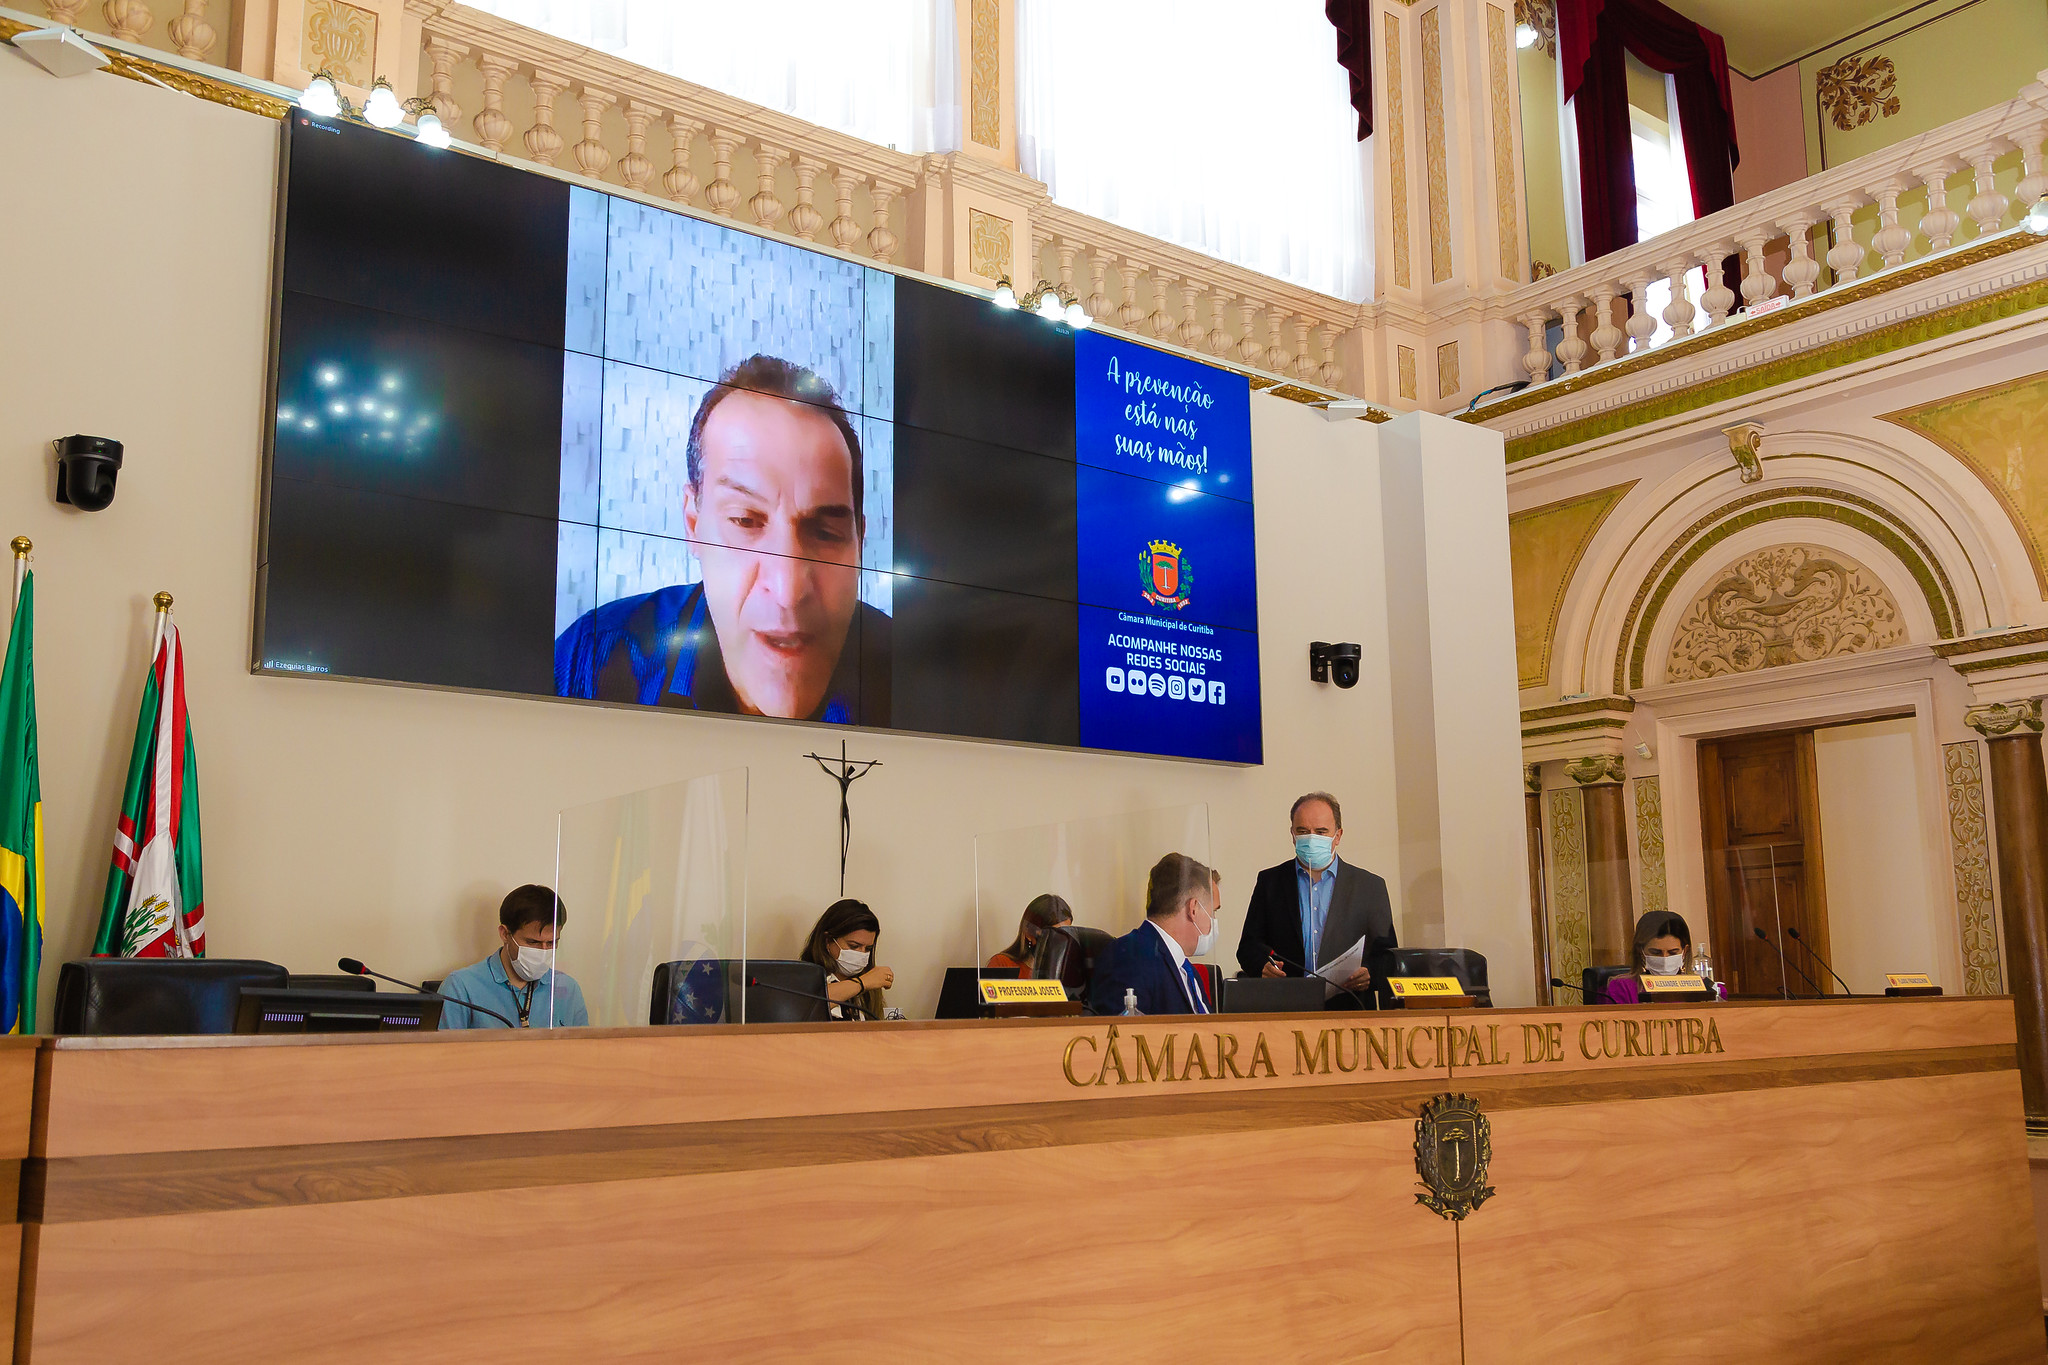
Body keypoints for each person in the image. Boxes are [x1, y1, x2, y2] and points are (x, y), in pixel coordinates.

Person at [555, 354, 890, 724]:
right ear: (693, 522)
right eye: (745, 520)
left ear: (859, 540)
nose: (788, 589)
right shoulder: (590, 660)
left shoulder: (924, 679)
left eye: (826, 533)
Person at [1235, 791, 1397, 1009]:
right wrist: (1262, 966)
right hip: (1285, 1009)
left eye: (1321, 832)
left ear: (1337, 835)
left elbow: (1388, 956)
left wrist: (1370, 973)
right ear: (1292, 835)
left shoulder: (1369, 886)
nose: (1312, 839)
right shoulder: (1270, 882)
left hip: (1349, 1010)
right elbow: (1248, 947)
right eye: (1303, 831)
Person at [439, 885, 589, 1029]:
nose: (543, 951)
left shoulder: (568, 989)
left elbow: (583, 1051)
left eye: (551, 942)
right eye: (532, 942)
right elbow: (441, 1053)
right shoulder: (461, 987)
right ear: (505, 934)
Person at [1089, 853, 1221, 1016]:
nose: (1214, 921)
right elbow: (1124, 1036)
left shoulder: (1187, 970)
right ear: (1193, 908)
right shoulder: (1130, 957)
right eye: (1213, 911)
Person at [1604, 911, 1726, 1003]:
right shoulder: (1622, 988)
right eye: (1656, 952)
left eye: (1673, 953)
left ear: (1684, 951)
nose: (1664, 958)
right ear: (1641, 951)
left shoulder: (1706, 988)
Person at [805, 898, 894, 1020]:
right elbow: (809, 1003)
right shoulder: (805, 978)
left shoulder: (869, 989)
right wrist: (863, 982)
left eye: (868, 948)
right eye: (854, 946)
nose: (862, 954)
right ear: (828, 941)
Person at [987, 894, 1073, 974]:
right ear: (1029, 933)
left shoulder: (1068, 970)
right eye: (1053, 934)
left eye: (1066, 933)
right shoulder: (1003, 964)